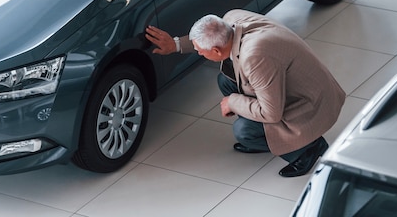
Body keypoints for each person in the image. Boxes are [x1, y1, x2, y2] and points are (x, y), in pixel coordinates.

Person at [145, 9, 345, 177]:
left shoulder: (255, 56)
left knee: (244, 131)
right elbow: (206, 37)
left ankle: (306, 149)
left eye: (200, 51)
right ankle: (269, 136)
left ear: (215, 51)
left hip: (310, 104)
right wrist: (176, 45)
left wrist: (233, 102)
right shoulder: (230, 20)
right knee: (226, 80)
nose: (198, 53)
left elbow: (272, 113)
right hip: (290, 86)